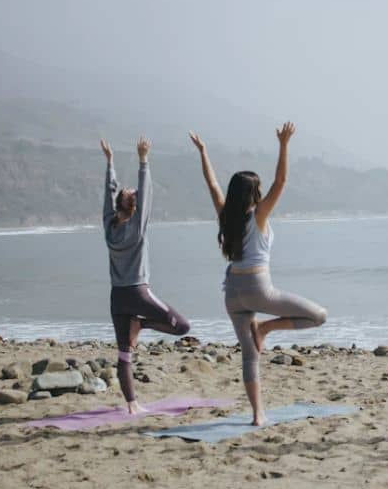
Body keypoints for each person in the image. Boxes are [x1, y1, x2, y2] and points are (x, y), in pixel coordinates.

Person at [189, 123, 326, 426]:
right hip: (258, 288)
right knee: (318, 316)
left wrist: (203, 152)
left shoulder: (226, 215)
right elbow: (282, 181)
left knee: (249, 356)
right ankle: (265, 328)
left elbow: (211, 185)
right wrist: (284, 144)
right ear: (254, 193)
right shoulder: (259, 215)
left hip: (232, 292)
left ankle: (258, 415)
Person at [101, 136, 191, 414]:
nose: (134, 194)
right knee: (182, 327)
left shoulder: (109, 225)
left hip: (118, 297)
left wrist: (111, 163)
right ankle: (143, 326)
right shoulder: (137, 227)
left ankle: (132, 405)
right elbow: (146, 191)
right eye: (133, 195)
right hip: (139, 293)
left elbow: (109, 192)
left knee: (124, 353)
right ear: (133, 207)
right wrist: (143, 160)